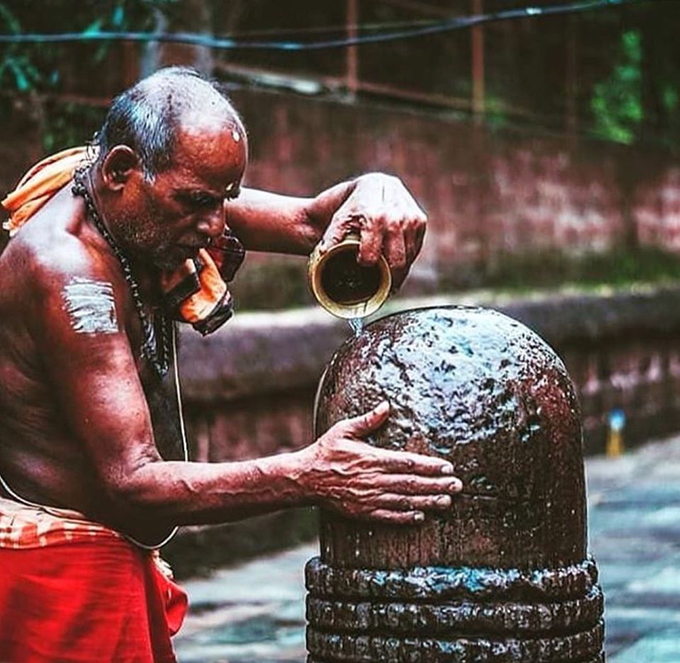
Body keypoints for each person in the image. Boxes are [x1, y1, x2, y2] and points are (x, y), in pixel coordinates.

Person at [0, 67, 462, 662]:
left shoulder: (150, 199)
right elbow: (135, 479)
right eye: (197, 203)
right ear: (118, 172)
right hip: (60, 569)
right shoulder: (65, 269)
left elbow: (314, 224)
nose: (215, 226)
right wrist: (309, 474)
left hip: (115, 555)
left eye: (225, 200)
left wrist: (378, 187)